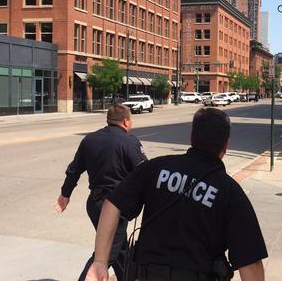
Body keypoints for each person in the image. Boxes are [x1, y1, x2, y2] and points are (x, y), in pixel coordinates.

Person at [85, 108, 267, 281]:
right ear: (226, 145)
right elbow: (251, 263)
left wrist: (100, 261)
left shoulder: (155, 168)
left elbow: (112, 205)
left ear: (192, 137)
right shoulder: (230, 192)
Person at [55, 104, 147, 281]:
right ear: (126, 121)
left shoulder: (89, 140)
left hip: (94, 204)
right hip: (115, 207)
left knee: (120, 249)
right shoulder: (129, 141)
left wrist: (65, 195)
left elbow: (74, 170)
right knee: (104, 255)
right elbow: (144, 172)